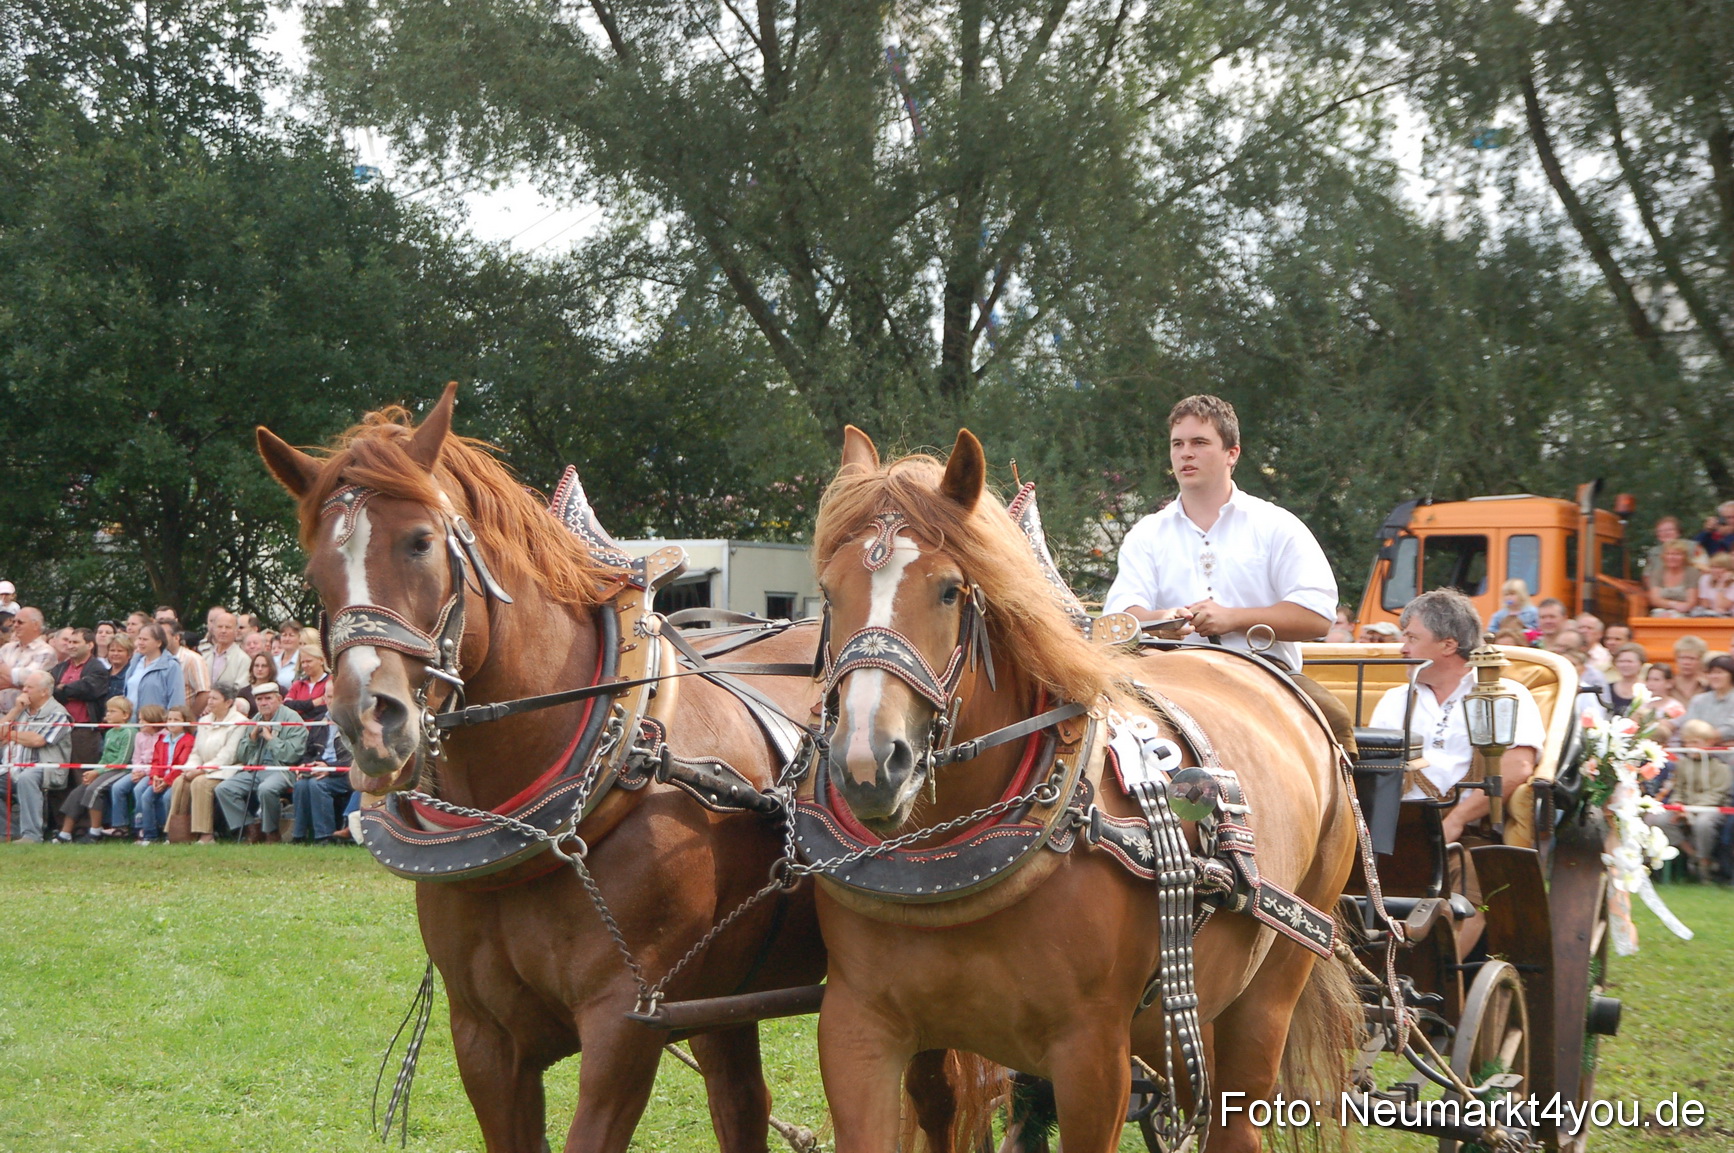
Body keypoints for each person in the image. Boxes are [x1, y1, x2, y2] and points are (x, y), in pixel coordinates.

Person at [1367, 589, 1548, 954]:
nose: (1402, 647)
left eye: (1412, 637)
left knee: (1471, 888)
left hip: (1466, 834)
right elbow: (1372, 771)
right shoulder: (1394, 700)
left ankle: (1435, 986)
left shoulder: (1503, 692)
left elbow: (1517, 769)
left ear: (1448, 645)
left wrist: (1456, 820)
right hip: (1394, 831)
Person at [214, 681, 308, 843]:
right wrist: (252, 738)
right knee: (224, 789)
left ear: (279, 699)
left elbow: (292, 755)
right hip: (255, 769)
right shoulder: (255, 719)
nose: (263, 703)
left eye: (268, 698)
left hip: (281, 770)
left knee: (266, 789)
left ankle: (271, 832)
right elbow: (242, 755)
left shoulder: (292, 718)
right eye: (259, 699)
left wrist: (270, 738)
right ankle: (249, 828)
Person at [1644, 719, 1730, 881]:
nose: (1691, 746)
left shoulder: (1721, 768)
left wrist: (1690, 811)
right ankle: (1693, 854)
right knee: (1660, 820)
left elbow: (1717, 795)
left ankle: (1704, 864)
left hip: (1710, 808)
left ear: (1709, 742)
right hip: (1685, 808)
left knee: (1703, 824)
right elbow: (1678, 789)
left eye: (1695, 742)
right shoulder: (1682, 765)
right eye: (1687, 742)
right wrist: (1678, 805)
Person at [3, 670, 74, 842]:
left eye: (29, 687)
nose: (24, 690)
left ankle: (32, 835)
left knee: (27, 777)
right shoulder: (21, 709)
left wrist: (7, 734)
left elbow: (38, 740)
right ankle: (7, 832)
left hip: (45, 766)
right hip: (12, 765)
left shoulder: (58, 714)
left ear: (44, 691)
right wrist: (15, 710)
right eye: (24, 686)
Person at [172, 686, 248, 844]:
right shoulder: (204, 721)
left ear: (228, 702)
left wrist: (201, 771)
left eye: (215, 698)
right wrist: (191, 768)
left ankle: (206, 835)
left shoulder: (240, 722)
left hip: (227, 770)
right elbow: (196, 752)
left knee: (200, 783)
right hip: (203, 768)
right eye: (210, 698)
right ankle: (178, 833)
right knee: (181, 781)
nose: (210, 701)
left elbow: (228, 755)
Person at [56, 696, 137, 843]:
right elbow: (105, 758)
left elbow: (122, 761)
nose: (108, 714)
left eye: (113, 711)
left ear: (125, 715)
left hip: (122, 771)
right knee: (78, 791)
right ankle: (65, 833)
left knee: (94, 789)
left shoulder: (129, 732)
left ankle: (95, 831)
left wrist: (97, 772)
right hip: (107, 769)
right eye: (108, 711)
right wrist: (95, 771)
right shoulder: (110, 732)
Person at [50, 628, 109, 770]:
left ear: (90, 645)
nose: (70, 645)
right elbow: (50, 691)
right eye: (69, 642)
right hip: (59, 728)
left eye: (75, 642)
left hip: (84, 732)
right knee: (58, 775)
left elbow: (88, 689)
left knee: (81, 775)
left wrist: (63, 689)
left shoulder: (98, 668)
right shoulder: (59, 668)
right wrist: (68, 691)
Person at [134, 706, 194, 843]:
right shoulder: (162, 740)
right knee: (146, 797)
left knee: (168, 798)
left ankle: (170, 834)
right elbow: (156, 762)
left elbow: (181, 764)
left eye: (176, 719)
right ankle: (150, 835)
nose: (172, 722)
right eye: (169, 719)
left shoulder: (188, 740)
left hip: (176, 779)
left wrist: (166, 781)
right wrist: (155, 776)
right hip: (160, 778)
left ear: (185, 722)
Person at [291, 723, 353, 844]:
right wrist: (305, 765)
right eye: (328, 701)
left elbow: (354, 759)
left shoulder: (351, 721)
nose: (330, 702)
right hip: (318, 769)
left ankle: (325, 836)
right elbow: (309, 753)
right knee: (300, 785)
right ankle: (299, 835)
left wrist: (329, 768)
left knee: (317, 785)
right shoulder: (319, 721)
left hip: (346, 774)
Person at [0, 607, 56, 715]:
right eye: (14, 622)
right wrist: (16, 682)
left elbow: (30, 680)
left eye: (20, 622)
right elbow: (21, 680)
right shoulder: (6, 648)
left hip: (26, 716)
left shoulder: (46, 652)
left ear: (35, 625)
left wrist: (2, 668)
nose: (15, 625)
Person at [122, 624, 185, 712]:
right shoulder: (135, 663)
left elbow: (177, 700)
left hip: (156, 723)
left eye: (145, 639)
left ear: (159, 643)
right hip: (130, 723)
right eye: (139, 638)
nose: (140, 642)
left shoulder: (171, 666)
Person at [162, 620, 210, 721]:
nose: (159, 638)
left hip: (183, 723)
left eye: (163, 634)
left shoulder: (192, 659)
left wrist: (189, 719)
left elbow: (204, 693)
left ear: (176, 637)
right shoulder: (156, 660)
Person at [1684, 654, 1734, 744]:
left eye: (1719, 672)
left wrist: (1708, 738)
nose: (1714, 676)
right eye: (1711, 673)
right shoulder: (1698, 700)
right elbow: (1689, 727)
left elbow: (1731, 727)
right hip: (1699, 752)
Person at [200, 609, 249, 697]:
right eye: (219, 627)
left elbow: (240, 688)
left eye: (228, 627)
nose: (223, 631)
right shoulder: (204, 656)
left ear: (236, 631)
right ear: (213, 630)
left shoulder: (243, 659)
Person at [1647, 540, 1701, 615]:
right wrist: (1673, 604)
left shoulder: (1692, 572)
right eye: (1668, 554)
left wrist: (1677, 610)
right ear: (1663, 556)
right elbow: (1654, 599)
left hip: (1686, 613)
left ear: (1684, 557)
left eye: (1677, 554)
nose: (1671, 557)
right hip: (1661, 612)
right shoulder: (1657, 572)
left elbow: (1691, 602)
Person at [1605, 643, 1648, 716]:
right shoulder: (1607, 688)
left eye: (1629, 661)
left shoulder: (1648, 689)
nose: (1625, 665)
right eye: (1621, 661)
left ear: (1641, 664)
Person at [1672, 635, 1709, 702]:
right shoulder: (1668, 685)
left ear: (1701, 660)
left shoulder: (1708, 685)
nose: (1686, 663)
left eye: (1692, 658)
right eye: (1682, 658)